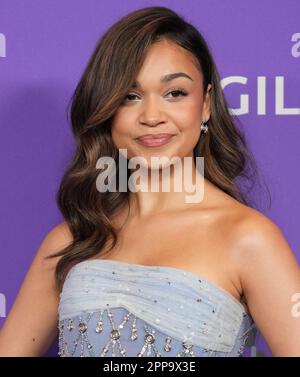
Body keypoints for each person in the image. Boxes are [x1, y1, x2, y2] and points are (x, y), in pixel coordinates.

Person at [0, 6, 299, 357]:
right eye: (130, 96)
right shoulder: (71, 239)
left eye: (175, 93)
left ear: (205, 105)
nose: (152, 117)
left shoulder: (248, 237)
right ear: (107, 110)